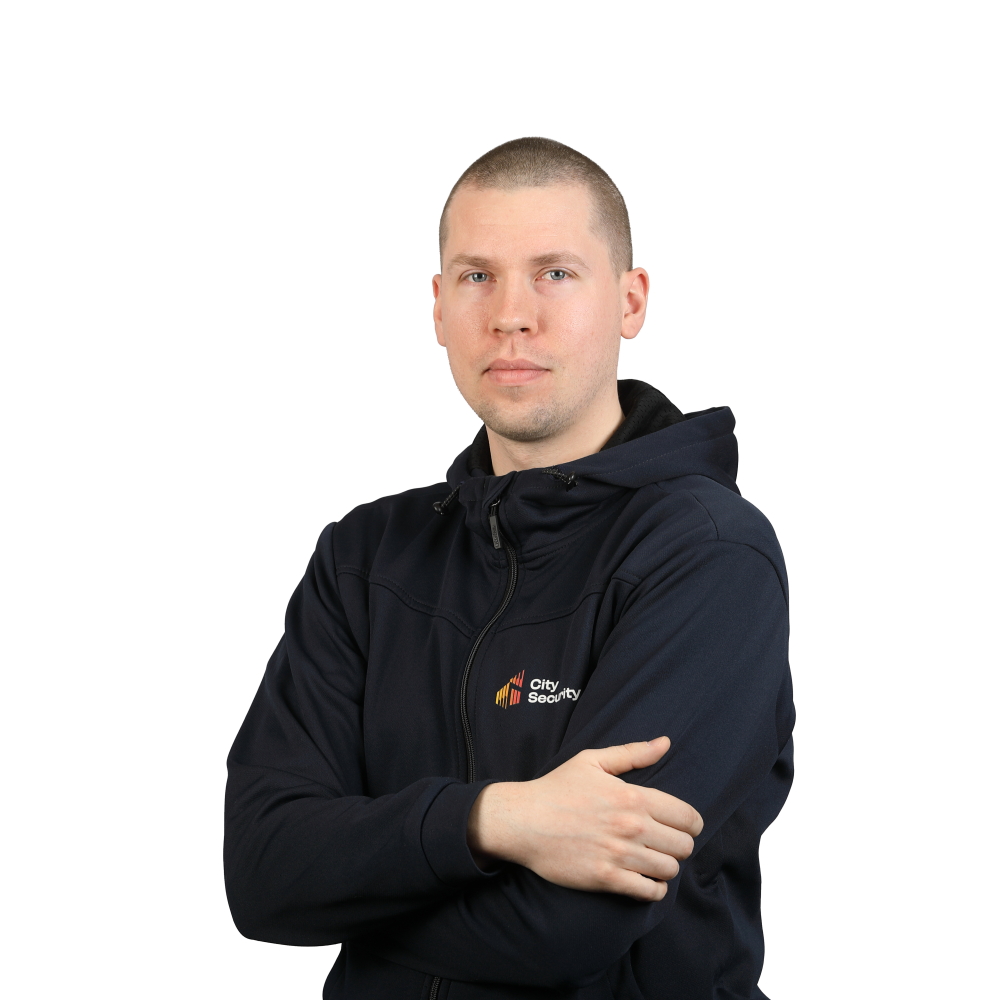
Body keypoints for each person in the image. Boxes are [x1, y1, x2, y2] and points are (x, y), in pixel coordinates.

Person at [224, 137, 795, 1000]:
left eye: (555, 273)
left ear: (631, 300)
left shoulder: (707, 556)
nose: (511, 315)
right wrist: (498, 819)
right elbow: (262, 873)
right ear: (438, 306)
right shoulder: (364, 558)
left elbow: (569, 927)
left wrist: (354, 904)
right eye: (477, 276)